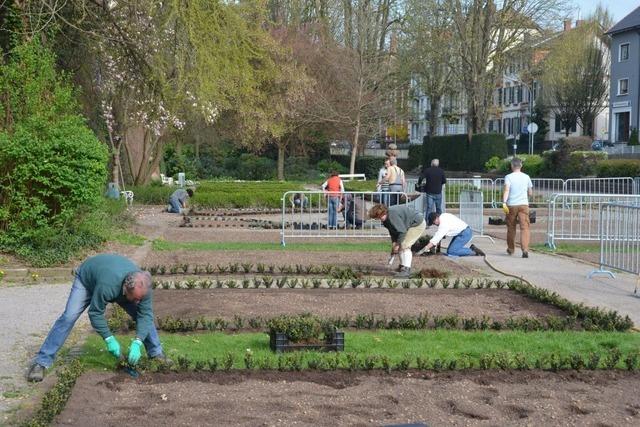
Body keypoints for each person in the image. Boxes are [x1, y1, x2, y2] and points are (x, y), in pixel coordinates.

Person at [27, 254, 168, 382]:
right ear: (125, 289)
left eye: (140, 298)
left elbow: (146, 315)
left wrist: (137, 342)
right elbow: (95, 313)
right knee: (69, 316)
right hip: (86, 279)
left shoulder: (144, 287)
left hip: (110, 278)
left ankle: (156, 353)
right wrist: (109, 339)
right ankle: (41, 362)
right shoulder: (109, 286)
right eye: (136, 299)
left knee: (142, 314)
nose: (138, 302)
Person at [369, 203, 426, 277]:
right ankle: (402, 267)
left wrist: (397, 245)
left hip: (417, 224)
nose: (379, 219)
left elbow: (402, 232)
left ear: (384, 212)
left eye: (380, 216)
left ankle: (406, 270)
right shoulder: (385, 220)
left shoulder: (392, 215)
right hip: (408, 225)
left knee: (405, 245)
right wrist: (394, 244)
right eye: (377, 218)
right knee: (400, 245)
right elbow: (393, 232)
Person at [502, 157, 533, 258]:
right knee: (525, 228)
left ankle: (511, 249)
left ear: (512, 166)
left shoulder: (508, 177)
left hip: (512, 205)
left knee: (511, 227)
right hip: (524, 204)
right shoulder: (527, 177)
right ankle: (525, 249)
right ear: (521, 165)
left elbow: (507, 190)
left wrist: (504, 202)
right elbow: (530, 192)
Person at [418, 212, 485, 257]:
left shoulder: (443, 225)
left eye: (433, 223)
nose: (434, 225)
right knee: (450, 250)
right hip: (463, 231)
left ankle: (473, 252)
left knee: (452, 251)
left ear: (436, 219)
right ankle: (472, 248)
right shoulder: (444, 215)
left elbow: (435, 240)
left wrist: (423, 250)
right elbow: (439, 237)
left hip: (465, 234)